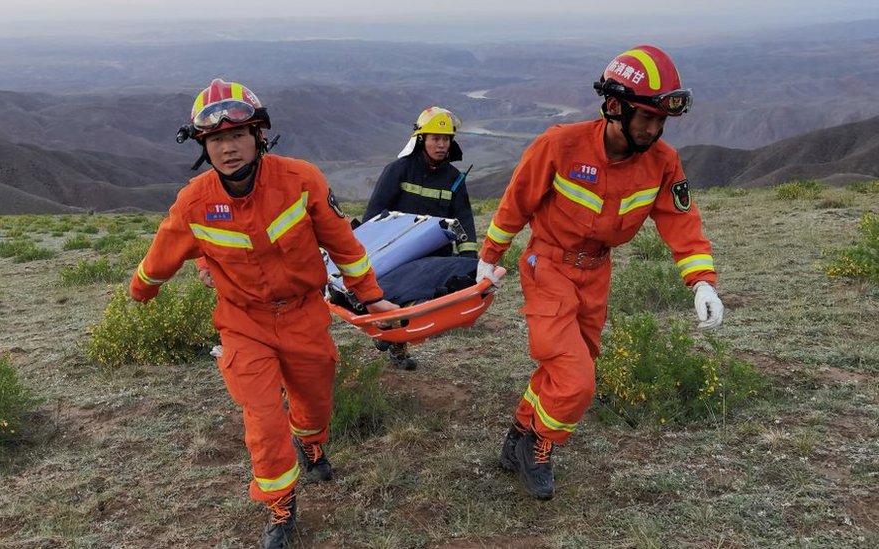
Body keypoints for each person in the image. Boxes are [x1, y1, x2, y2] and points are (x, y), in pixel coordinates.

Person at [129, 79, 398, 548]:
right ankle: (280, 507)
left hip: (304, 314)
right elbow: (161, 255)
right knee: (262, 418)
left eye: (236, 136)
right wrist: (141, 291)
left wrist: (372, 298)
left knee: (314, 403)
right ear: (203, 146)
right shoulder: (194, 201)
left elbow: (344, 246)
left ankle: (311, 443)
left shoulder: (301, 180)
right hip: (243, 324)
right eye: (215, 140)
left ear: (258, 137)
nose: (227, 148)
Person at [475, 46, 725, 500]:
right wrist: (489, 256)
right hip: (547, 266)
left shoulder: (663, 161)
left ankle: (516, 438)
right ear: (615, 107)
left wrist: (702, 280)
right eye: (645, 117)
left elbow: (681, 222)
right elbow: (516, 202)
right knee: (576, 381)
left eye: (660, 120)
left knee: (566, 368)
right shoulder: (560, 145)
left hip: (596, 274)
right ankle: (540, 446)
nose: (654, 129)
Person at [363, 106, 478, 370]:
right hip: (398, 252)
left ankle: (395, 338)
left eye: (446, 139)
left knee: (420, 303)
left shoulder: (454, 179)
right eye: (435, 139)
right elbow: (374, 214)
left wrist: (469, 258)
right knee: (397, 298)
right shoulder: (399, 170)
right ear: (421, 139)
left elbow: (464, 217)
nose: (441, 145)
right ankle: (394, 342)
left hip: (435, 255)